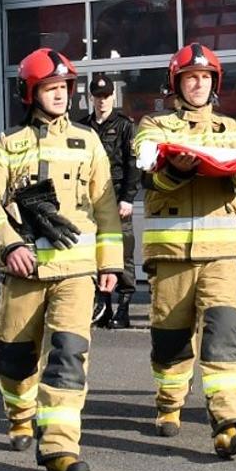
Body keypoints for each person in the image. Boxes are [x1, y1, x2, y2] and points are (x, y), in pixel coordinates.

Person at [0, 48, 125, 471]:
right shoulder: (8, 143)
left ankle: (59, 445)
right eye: (49, 88)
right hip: (25, 271)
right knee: (15, 359)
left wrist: (110, 263)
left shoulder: (89, 141)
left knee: (69, 356)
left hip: (76, 271)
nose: (58, 95)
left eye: (62, 88)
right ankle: (20, 414)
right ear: (31, 92)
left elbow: (106, 209)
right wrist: (8, 247)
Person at [132, 43, 236, 459]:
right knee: (170, 338)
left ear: (214, 83)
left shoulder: (232, 128)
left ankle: (227, 422)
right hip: (170, 253)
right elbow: (148, 176)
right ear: (177, 83)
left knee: (225, 333)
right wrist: (175, 169)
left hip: (222, 252)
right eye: (190, 77)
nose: (198, 84)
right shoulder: (153, 125)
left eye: (205, 77)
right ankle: (169, 404)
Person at [74, 74, 141, 329]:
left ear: (113, 97)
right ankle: (103, 306)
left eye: (106, 96)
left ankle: (123, 309)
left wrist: (128, 198)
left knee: (122, 253)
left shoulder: (125, 126)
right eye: (97, 96)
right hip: (90, 203)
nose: (101, 101)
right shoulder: (82, 127)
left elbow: (133, 166)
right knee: (94, 253)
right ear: (90, 98)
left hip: (116, 199)